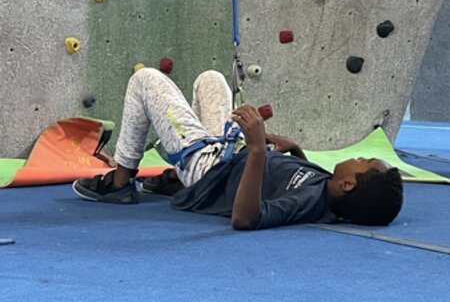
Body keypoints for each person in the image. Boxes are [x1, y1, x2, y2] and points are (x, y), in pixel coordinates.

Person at [73, 68, 403, 230]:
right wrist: (296, 150)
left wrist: (258, 149)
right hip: (230, 154)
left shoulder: (308, 203)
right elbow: (287, 179)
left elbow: (245, 219)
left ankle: (120, 183)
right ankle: (177, 177)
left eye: (363, 160)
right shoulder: (327, 186)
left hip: (209, 169)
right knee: (211, 79)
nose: (358, 156)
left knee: (145, 80)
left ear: (348, 185)